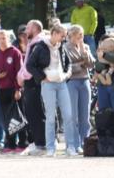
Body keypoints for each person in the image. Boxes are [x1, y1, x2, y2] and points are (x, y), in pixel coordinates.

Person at [28, 23, 79, 156]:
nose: (63, 39)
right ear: (54, 34)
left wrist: (67, 75)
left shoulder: (61, 46)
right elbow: (30, 65)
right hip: (48, 84)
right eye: (62, 36)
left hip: (62, 84)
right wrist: (42, 77)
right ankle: (51, 148)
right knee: (50, 116)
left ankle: (70, 147)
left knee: (68, 115)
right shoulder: (40, 46)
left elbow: (69, 65)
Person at [0, 29, 22, 153]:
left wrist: (18, 89)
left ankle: (17, 143)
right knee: (3, 118)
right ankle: (9, 143)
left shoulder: (15, 53)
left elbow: (19, 72)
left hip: (14, 89)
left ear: (9, 39)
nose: (2, 41)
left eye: (4, 38)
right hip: (1, 89)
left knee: (15, 118)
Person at [18, 20, 47, 155]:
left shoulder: (38, 42)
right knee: (32, 112)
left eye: (28, 27)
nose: (26, 31)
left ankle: (41, 143)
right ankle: (39, 142)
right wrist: (21, 74)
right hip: (31, 82)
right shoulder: (33, 42)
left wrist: (22, 76)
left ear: (35, 28)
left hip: (34, 82)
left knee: (36, 113)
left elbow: (32, 65)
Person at [66, 25, 95, 146]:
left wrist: (84, 51)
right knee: (73, 116)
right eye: (78, 35)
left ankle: (86, 143)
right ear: (71, 36)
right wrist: (79, 65)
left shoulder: (86, 47)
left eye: (82, 35)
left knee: (85, 114)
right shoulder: (65, 48)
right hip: (72, 82)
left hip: (85, 81)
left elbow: (91, 64)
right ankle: (74, 144)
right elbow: (66, 67)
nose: (80, 37)